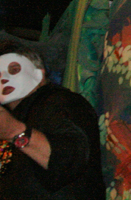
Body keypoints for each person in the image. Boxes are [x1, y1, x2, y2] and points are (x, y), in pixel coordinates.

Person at [0, 40, 105, 199]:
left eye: (13, 69)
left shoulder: (60, 101)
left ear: (38, 73)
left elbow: (70, 160)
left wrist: (15, 131)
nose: (3, 79)